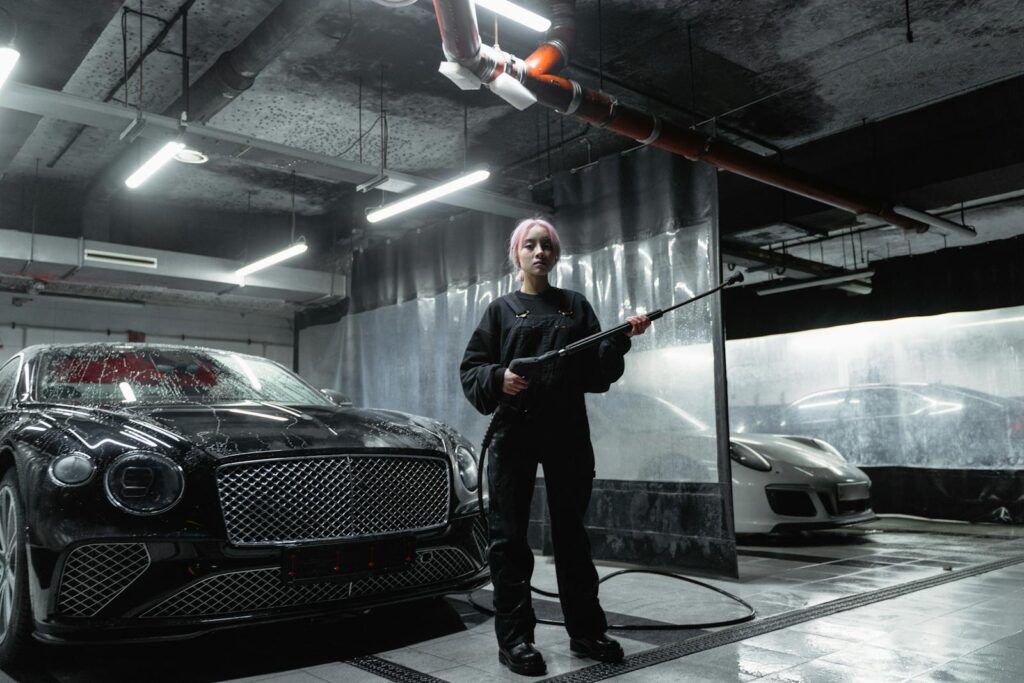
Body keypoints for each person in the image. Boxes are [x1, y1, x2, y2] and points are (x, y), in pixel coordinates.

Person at [460, 218, 651, 676]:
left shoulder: (574, 307)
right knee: (509, 541)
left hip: (566, 431)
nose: (539, 252)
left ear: (556, 254)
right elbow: (471, 369)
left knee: (571, 537)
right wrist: (497, 378)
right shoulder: (500, 311)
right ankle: (516, 641)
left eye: (547, 245)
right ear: (517, 254)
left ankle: (586, 632)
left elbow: (595, 373)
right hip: (513, 434)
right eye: (530, 245)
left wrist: (622, 338)